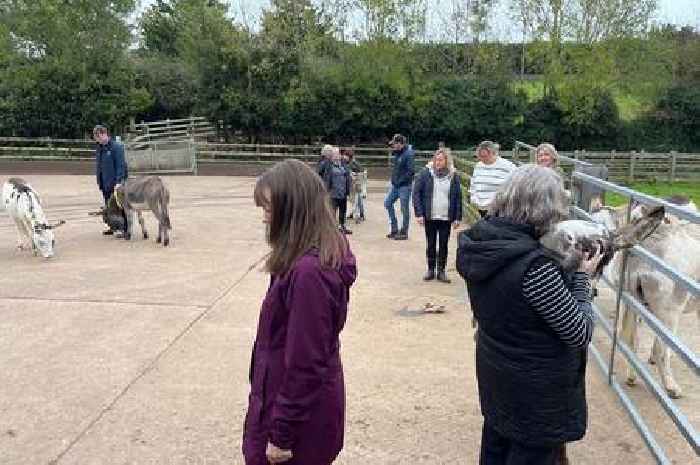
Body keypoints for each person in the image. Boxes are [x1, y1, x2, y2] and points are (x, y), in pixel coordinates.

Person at [456, 164, 603, 465]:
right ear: (545, 207)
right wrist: (581, 276)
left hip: (498, 376)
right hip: (537, 397)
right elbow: (580, 332)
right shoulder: (534, 267)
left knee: (496, 448)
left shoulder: (483, 243)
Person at [245, 159, 357, 465]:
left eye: (269, 208)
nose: (265, 218)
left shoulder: (309, 272)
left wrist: (281, 434)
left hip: (299, 423)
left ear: (292, 208)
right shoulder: (300, 257)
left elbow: (306, 362)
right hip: (286, 401)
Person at [413, 148, 463, 283]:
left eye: (441, 160)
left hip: (446, 217)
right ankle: (430, 269)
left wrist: (458, 216)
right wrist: (419, 213)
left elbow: (458, 196)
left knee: (443, 244)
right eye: (436, 159)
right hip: (430, 215)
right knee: (430, 243)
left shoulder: (453, 176)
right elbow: (416, 193)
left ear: (447, 161)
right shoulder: (425, 173)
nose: (438, 162)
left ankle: (441, 270)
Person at [94, 125, 128, 236]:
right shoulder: (100, 148)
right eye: (96, 138)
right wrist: (99, 180)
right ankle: (113, 226)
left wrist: (119, 181)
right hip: (104, 183)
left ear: (104, 134)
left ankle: (125, 228)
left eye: (98, 137)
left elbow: (121, 165)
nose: (97, 140)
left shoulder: (117, 147)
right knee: (109, 206)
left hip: (116, 184)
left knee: (120, 206)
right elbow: (99, 165)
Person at [469, 141, 515, 218]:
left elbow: (515, 183)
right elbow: (473, 183)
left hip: (499, 209)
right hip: (481, 207)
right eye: (481, 156)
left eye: (485, 156)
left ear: (493, 153)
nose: (483, 159)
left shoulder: (508, 166)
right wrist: (473, 198)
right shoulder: (478, 166)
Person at [384, 133, 415, 240]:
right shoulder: (398, 153)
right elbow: (397, 169)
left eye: (394, 144)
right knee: (387, 203)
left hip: (404, 186)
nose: (393, 146)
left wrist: (400, 181)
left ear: (400, 144)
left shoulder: (408, 154)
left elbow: (411, 171)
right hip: (396, 185)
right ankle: (394, 228)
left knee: (404, 208)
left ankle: (404, 231)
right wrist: (394, 179)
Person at [320, 147, 353, 235]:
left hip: (343, 192)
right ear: (331, 156)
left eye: (338, 154)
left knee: (343, 211)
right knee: (332, 212)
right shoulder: (328, 165)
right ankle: (332, 229)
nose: (336, 156)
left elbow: (347, 176)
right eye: (334, 154)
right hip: (333, 193)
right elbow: (323, 176)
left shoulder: (343, 164)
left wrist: (348, 190)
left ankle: (342, 226)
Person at [343, 149, 366, 223]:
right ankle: (356, 214)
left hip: (356, 183)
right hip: (353, 183)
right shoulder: (348, 163)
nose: (344, 157)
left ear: (349, 156)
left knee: (357, 199)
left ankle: (359, 215)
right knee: (355, 200)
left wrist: (355, 177)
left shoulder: (354, 164)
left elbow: (362, 173)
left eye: (345, 155)